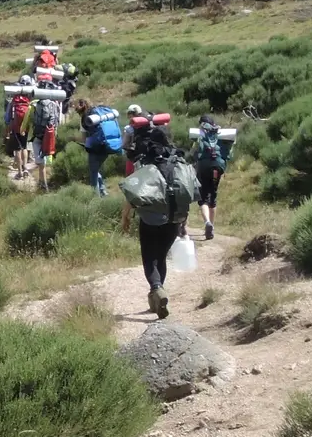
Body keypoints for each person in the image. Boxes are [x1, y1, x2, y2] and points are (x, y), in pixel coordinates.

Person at [121, 123, 198, 319]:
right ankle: (157, 296)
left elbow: (133, 192)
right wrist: (183, 221)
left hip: (150, 218)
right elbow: (191, 190)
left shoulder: (145, 160)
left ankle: (157, 288)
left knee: (149, 256)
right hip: (174, 217)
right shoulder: (179, 159)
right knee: (161, 256)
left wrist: (125, 217)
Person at [192, 115, 227, 241]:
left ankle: (207, 223)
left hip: (204, 166)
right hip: (218, 166)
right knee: (213, 194)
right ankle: (212, 226)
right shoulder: (220, 132)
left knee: (203, 197)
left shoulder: (200, 132)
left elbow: (195, 152)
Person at [77, 98, 122, 195]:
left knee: (93, 172)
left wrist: (73, 139)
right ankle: (103, 191)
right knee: (96, 169)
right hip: (107, 144)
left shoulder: (85, 118)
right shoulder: (100, 112)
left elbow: (84, 139)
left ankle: (95, 196)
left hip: (96, 147)